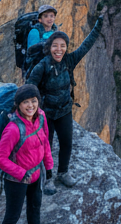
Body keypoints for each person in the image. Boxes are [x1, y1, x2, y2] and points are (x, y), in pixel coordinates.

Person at [27, 15, 103, 187]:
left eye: (62, 46)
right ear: (49, 48)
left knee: (66, 143)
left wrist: (98, 26)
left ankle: (63, 173)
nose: (59, 50)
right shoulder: (42, 66)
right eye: (55, 46)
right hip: (46, 113)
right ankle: (47, 178)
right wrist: (34, 110)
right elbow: (30, 87)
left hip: (64, 110)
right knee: (46, 147)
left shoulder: (69, 60)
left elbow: (86, 45)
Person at [0, 84, 54, 224]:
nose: (31, 106)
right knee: (12, 217)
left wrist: (49, 166)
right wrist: (21, 173)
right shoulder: (13, 129)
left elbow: (44, 142)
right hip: (17, 180)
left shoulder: (41, 117)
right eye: (26, 102)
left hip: (36, 173)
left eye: (34, 101)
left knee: (35, 205)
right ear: (18, 105)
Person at [24, 5, 58, 73]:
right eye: (46, 16)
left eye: (51, 16)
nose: (49, 18)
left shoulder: (55, 33)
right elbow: (32, 52)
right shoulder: (34, 32)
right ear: (40, 19)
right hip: (35, 68)